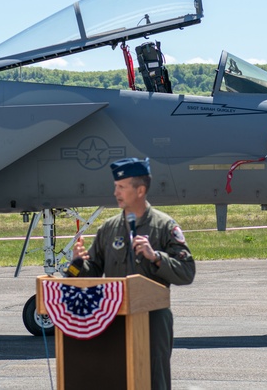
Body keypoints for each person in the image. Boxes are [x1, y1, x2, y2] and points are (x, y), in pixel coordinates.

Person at [70, 156, 196, 390]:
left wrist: (156, 257)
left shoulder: (164, 226)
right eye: (115, 186)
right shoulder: (108, 228)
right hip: (113, 317)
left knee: (154, 378)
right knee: (116, 376)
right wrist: (77, 264)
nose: (116, 192)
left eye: (122, 187)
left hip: (153, 320)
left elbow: (187, 272)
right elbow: (93, 273)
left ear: (140, 190)